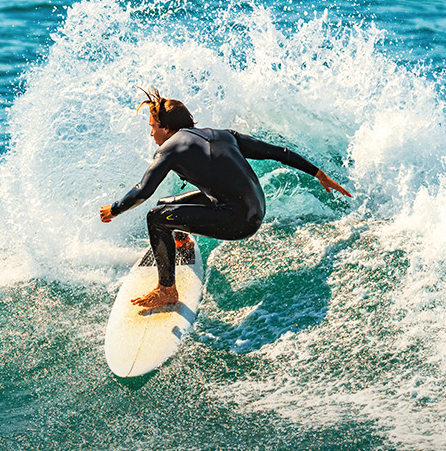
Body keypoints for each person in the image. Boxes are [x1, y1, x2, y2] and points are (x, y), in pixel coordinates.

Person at [100, 87, 352, 310]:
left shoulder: (170, 148)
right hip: (255, 207)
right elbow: (279, 153)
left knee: (156, 218)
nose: (151, 134)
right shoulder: (223, 134)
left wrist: (114, 209)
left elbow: (143, 191)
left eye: (153, 127)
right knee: (165, 206)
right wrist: (319, 174)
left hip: (239, 220)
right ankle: (182, 242)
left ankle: (167, 291)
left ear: (166, 128)